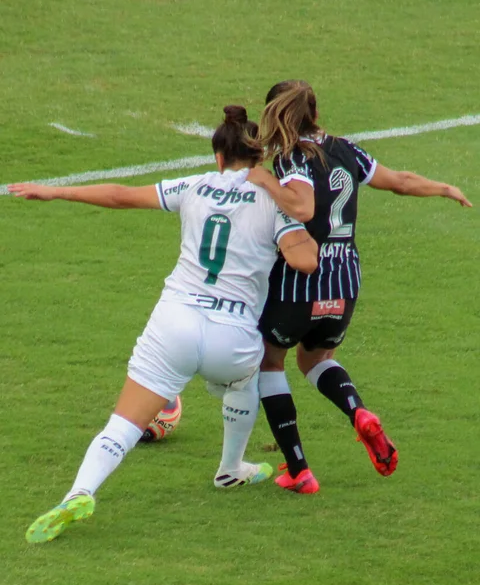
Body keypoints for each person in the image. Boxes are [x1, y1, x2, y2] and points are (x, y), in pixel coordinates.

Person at [9, 105, 319, 543]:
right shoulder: (274, 201)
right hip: (232, 336)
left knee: (123, 425)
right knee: (250, 376)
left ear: (218, 156)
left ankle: (78, 492)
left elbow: (120, 195)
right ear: (259, 156)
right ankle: (231, 468)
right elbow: (304, 262)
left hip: (174, 321)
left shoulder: (192, 185)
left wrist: (54, 191)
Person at [247, 80, 472, 494]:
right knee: (315, 359)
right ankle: (360, 414)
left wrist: (264, 180)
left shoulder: (292, 159)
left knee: (270, 362)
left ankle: (299, 470)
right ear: (315, 112)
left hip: (302, 280)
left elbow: (300, 204)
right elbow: (399, 181)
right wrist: (443, 188)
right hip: (345, 279)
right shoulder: (347, 149)